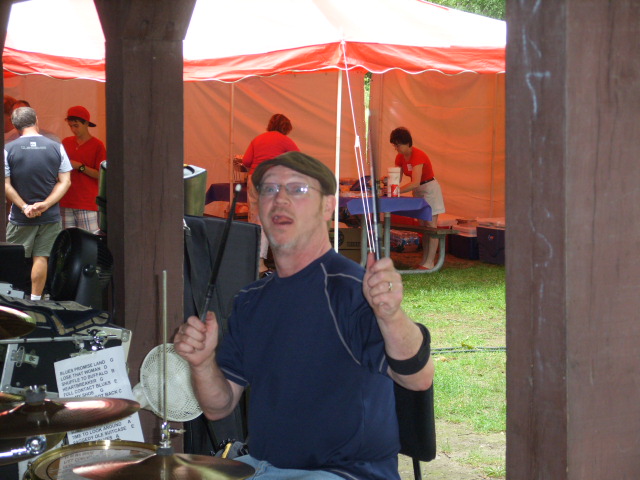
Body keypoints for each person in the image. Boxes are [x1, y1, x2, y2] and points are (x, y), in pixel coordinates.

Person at [174, 151, 434, 480]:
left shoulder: (351, 289)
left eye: (297, 189)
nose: (280, 199)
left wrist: (391, 315)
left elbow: (418, 379)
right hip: (261, 466)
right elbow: (219, 407)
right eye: (269, 189)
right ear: (258, 208)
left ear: (328, 207)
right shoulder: (250, 301)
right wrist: (202, 363)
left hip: (343, 473)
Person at [4, 107, 72, 300]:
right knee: (41, 257)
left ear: (15, 126)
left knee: (14, 259)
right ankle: (35, 302)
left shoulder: (8, 149)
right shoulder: (56, 146)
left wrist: (25, 207)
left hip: (21, 217)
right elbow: (65, 181)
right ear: (36, 120)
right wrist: (46, 204)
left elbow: (5, 184)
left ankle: (13, 302)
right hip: (49, 216)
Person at [241, 113, 299, 276]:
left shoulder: (257, 139)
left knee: (254, 217)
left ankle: (251, 258)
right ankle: (260, 262)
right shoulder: (285, 140)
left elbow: (246, 161)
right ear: (286, 128)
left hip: (254, 178)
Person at [390, 127, 446, 270]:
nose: (396, 148)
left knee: (431, 226)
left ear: (407, 143)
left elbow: (415, 182)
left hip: (429, 189)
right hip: (418, 191)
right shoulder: (399, 157)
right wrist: (388, 183)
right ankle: (424, 261)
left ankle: (430, 262)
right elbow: (396, 179)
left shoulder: (418, 155)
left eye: (398, 145)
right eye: (394, 145)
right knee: (423, 227)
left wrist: (396, 191)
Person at [59, 105, 106, 232]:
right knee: (68, 240)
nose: (73, 129)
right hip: (66, 200)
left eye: (76, 126)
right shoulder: (66, 142)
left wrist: (80, 167)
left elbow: (101, 174)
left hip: (87, 202)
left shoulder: (97, 145)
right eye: (70, 126)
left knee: (89, 239)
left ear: (86, 123)